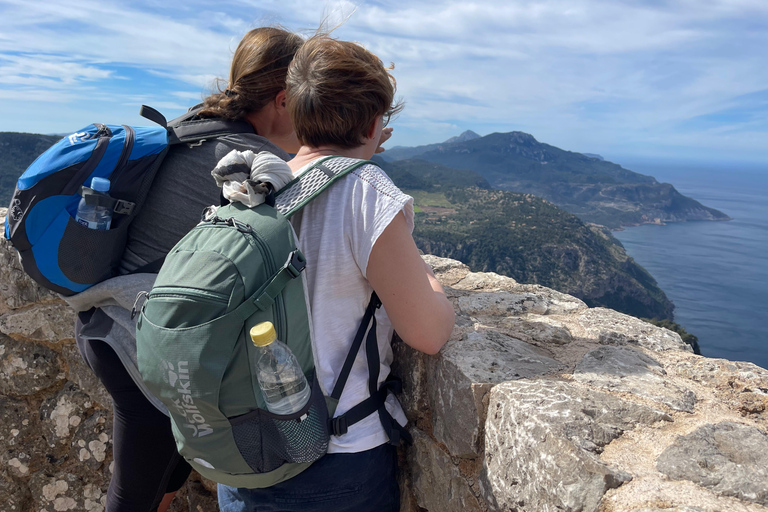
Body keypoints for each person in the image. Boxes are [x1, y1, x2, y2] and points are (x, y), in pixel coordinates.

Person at [64, 27, 305, 512]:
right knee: (133, 497)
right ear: (283, 99)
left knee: (168, 470)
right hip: (139, 342)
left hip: (109, 320)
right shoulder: (255, 163)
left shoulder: (190, 130)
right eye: (310, 98)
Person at [217, 34, 456, 512]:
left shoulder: (259, 187)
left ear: (298, 114)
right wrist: (431, 282)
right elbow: (429, 333)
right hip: (331, 463)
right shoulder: (364, 191)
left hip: (245, 454)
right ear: (373, 122)